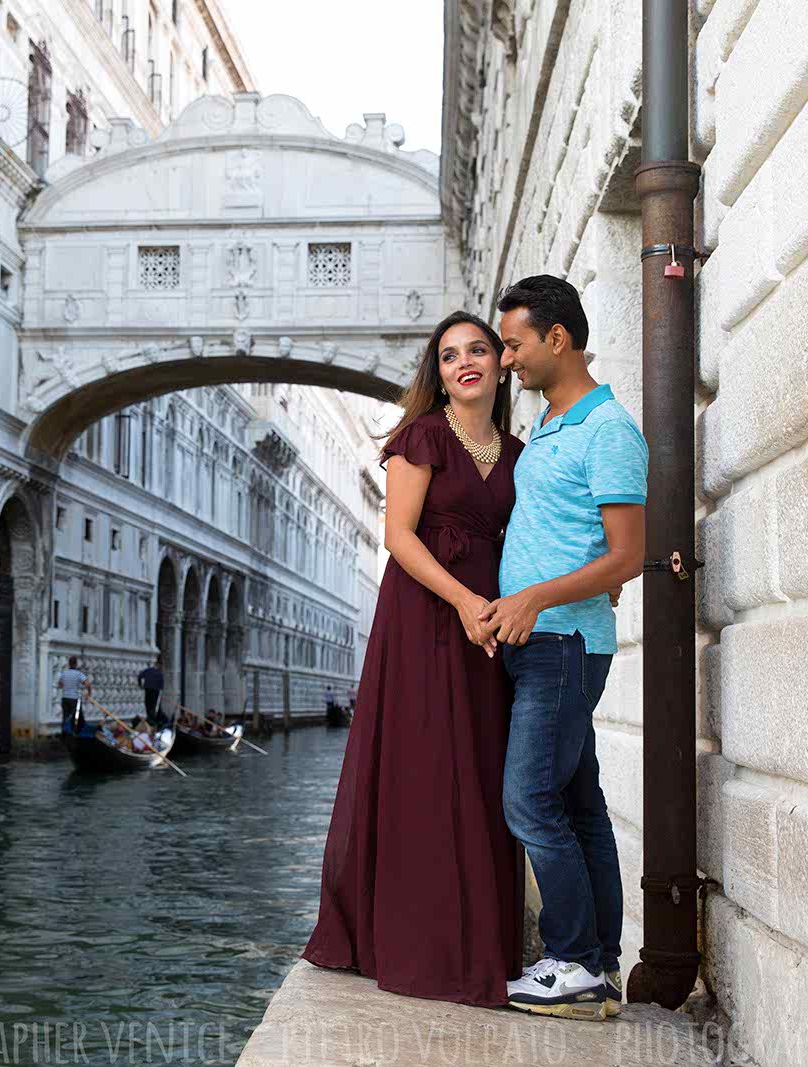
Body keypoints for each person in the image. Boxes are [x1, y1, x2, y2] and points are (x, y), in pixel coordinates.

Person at [301, 311, 525, 1007]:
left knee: (484, 765)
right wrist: (462, 600)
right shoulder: (422, 436)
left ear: (497, 362)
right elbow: (398, 535)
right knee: (428, 763)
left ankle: (481, 936)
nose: (465, 362)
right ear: (440, 370)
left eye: (478, 349)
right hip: (428, 612)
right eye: (451, 353)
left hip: (488, 617)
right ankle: (417, 939)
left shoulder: (517, 453)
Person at [482, 276, 647, 1021]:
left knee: (527, 798)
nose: (506, 356)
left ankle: (572, 960)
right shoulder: (551, 424)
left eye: (514, 342)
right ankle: (600, 965)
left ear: (557, 338)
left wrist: (535, 596)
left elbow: (628, 556)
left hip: (564, 644)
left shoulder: (607, 428)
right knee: (579, 806)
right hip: (540, 643)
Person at [57, 656, 91, 732]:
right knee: (76, 717)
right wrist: (88, 693)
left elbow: (59, 685)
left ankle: (64, 733)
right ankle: (74, 732)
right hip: (74, 698)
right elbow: (87, 684)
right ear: (76, 664)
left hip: (65, 698)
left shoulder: (64, 674)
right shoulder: (78, 674)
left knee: (65, 717)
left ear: (69, 664)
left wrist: (67, 686)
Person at [138, 658, 166, 726]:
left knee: (148, 704)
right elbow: (162, 684)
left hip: (147, 689)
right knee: (153, 705)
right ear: (159, 665)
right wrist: (161, 690)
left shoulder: (148, 670)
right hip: (155, 690)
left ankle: (150, 718)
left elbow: (140, 676)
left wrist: (140, 685)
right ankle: (152, 720)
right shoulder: (160, 673)